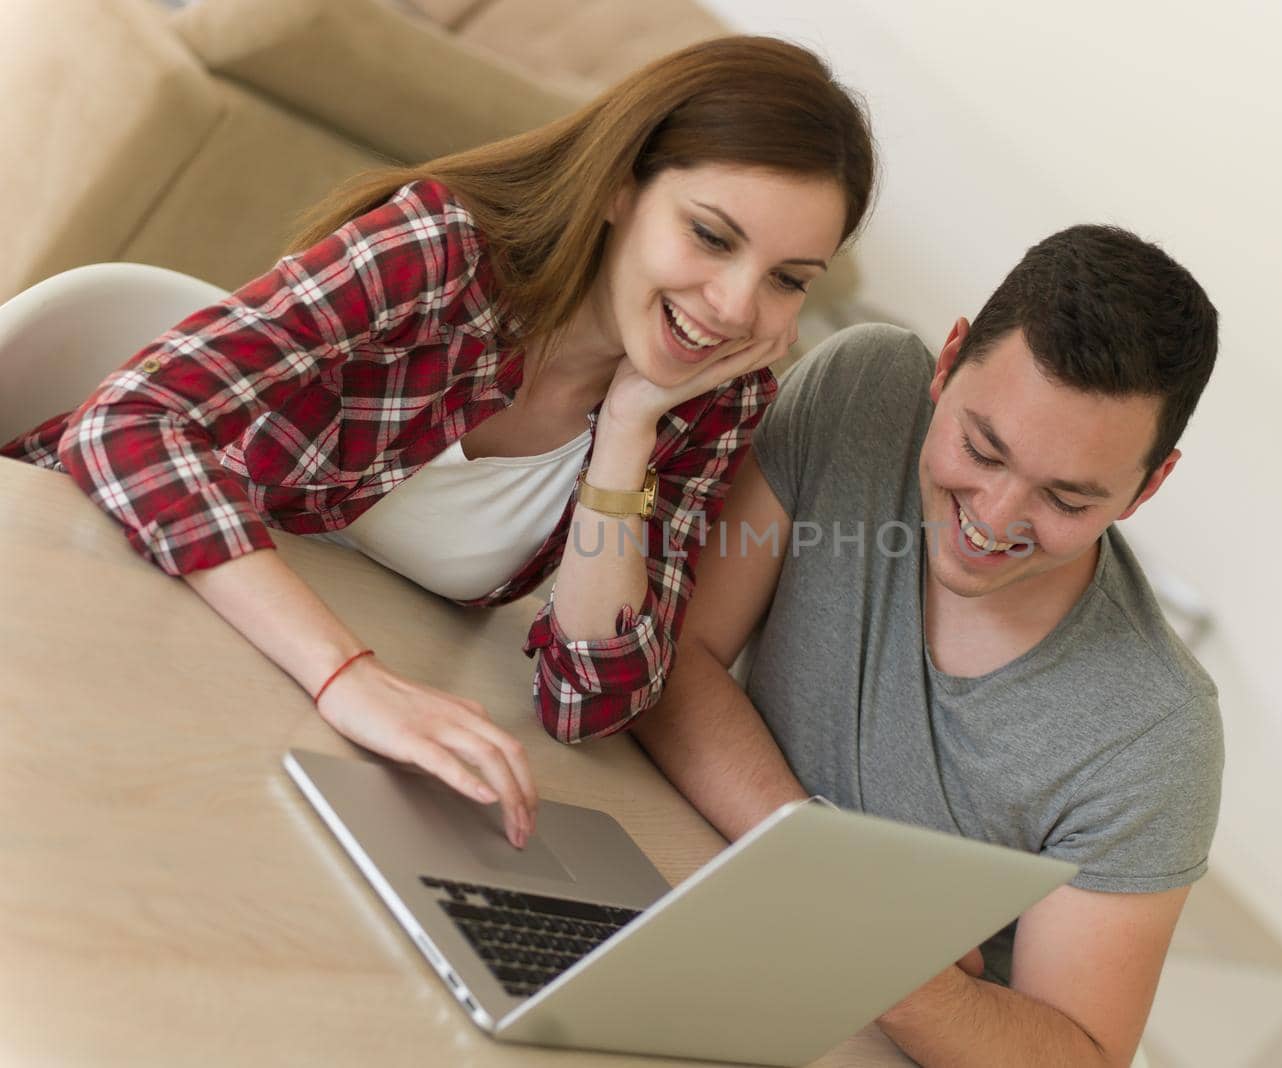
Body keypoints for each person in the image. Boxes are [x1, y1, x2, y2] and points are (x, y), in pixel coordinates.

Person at [0, 37, 874, 850]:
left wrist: (627, 433)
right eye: (712, 237)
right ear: (621, 187)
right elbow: (128, 422)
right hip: (90, 585)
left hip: (254, 691)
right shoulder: (446, 250)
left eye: (788, 281)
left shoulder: (714, 401)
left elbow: (591, 700)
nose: (733, 307)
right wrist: (347, 678)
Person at [633, 225, 1222, 1066]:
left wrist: (891, 969)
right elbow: (673, 660)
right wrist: (830, 879)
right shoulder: (865, 390)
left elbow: (1081, 1055)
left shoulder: (1156, 733)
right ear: (946, 363)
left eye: (1066, 498)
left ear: (1147, 486)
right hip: (705, 893)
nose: (996, 518)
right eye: (982, 448)